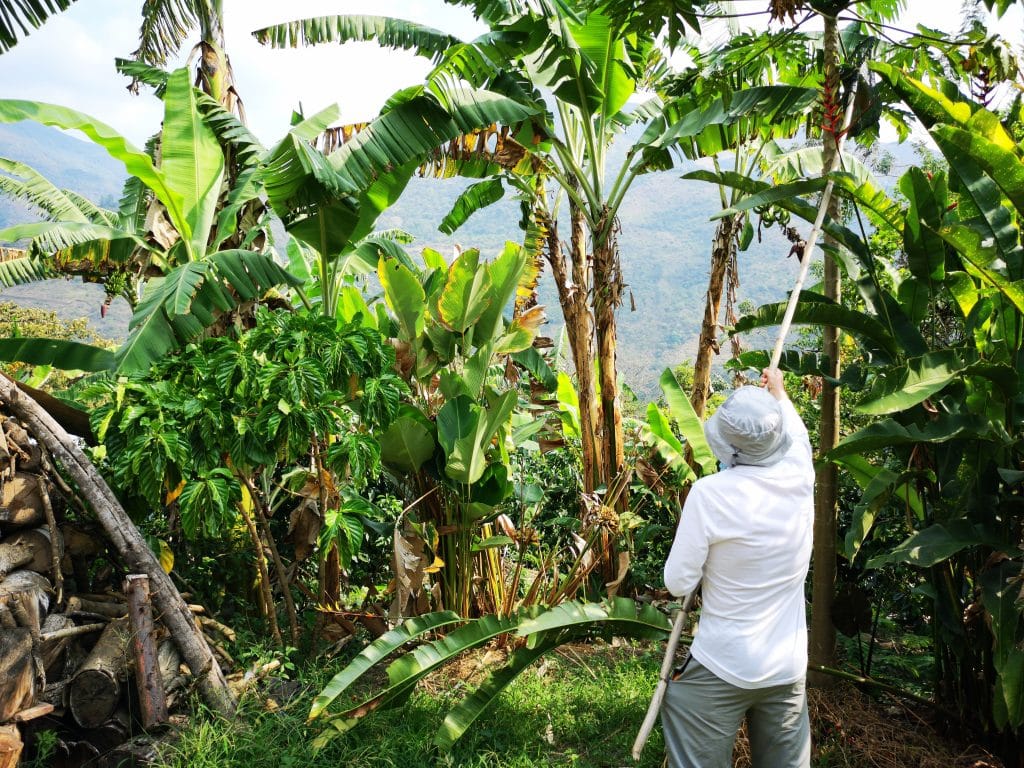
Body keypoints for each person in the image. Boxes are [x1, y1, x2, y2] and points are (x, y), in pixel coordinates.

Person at [661, 368, 815, 768]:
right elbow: (798, 434)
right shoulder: (801, 472)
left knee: (681, 706)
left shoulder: (709, 495)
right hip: (786, 666)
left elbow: (678, 582)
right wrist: (779, 392)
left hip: (723, 663)